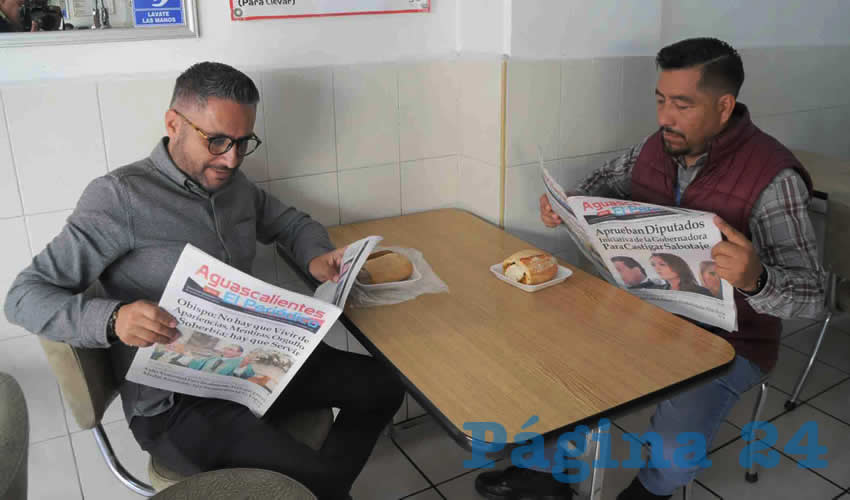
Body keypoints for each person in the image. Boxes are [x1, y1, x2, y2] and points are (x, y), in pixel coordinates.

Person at [4, 62, 404, 500]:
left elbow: (292, 223)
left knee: (384, 384)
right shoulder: (120, 197)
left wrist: (315, 257)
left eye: (242, 143)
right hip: (175, 404)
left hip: (252, 365)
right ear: (174, 124)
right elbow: (24, 297)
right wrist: (113, 318)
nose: (230, 158)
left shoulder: (234, 185)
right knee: (314, 484)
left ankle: (323, 488)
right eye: (216, 141)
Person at [477, 38, 825, 500]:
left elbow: (810, 295)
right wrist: (571, 208)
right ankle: (544, 475)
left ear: (724, 106)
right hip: (643, 311)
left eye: (682, 105)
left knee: (675, 447)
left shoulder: (773, 178)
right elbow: (600, 184)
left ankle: (651, 491)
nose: (665, 117)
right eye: (660, 100)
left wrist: (756, 279)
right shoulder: (654, 148)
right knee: (557, 364)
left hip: (730, 340)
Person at [648, 253, 713, 296]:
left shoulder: (701, 292)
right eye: (653, 265)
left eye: (662, 264)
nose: (656, 269)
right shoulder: (657, 291)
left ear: (678, 267)